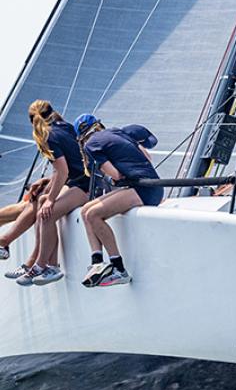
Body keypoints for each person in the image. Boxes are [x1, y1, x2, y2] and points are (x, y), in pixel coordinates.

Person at [2, 100, 91, 285]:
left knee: (46, 212)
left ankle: (44, 265)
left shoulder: (47, 135)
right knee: (40, 199)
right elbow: (66, 166)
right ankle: (34, 262)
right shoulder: (65, 126)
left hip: (86, 185)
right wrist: (46, 185)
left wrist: (51, 199)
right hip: (79, 181)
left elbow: (63, 171)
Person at [76, 115, 164, 287]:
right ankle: (97, 262)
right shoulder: (117, 131)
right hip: (150, 186)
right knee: (85, 209)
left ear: (80, 138)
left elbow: (115, 175)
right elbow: (147, 157)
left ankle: (119, 269)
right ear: (98, 125)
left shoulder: (90, 145)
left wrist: (117, 175)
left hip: (143, 190)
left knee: (93, 214)